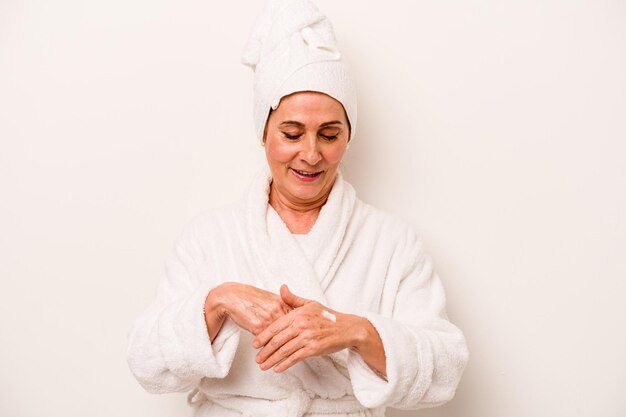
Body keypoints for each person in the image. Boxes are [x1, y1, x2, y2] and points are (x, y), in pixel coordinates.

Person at [126, 1, 468, 416]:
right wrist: (216, 302)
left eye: (329, 134)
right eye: (292, 133)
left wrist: (357, 331)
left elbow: (446, 369)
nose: (310, 154)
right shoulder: (210, 237)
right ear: (264, 133)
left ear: (348, 137)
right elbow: (146, 363)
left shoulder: (391, 241)